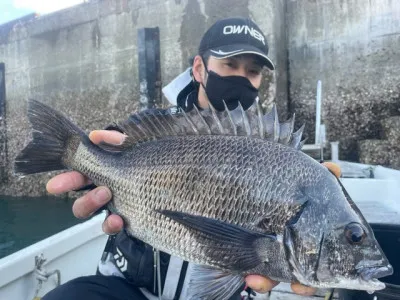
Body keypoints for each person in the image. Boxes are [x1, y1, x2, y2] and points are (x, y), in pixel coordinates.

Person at [43, 17, 340, 300]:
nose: (240, 77)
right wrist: (96, 170)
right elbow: (119, 143)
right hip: (128, 287)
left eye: (252, 71)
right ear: (199, 68)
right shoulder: (158, 128)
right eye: (229, 64)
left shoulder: (277, 157)